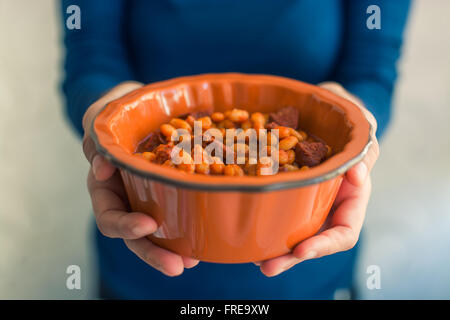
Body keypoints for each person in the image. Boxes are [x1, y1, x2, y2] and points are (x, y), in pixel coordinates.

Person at [61, 0, 411, 299]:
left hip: (308, 264)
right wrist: (108, 112)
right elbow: (91, 55)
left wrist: (356, 116)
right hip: (146, 248)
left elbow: (373, 69)